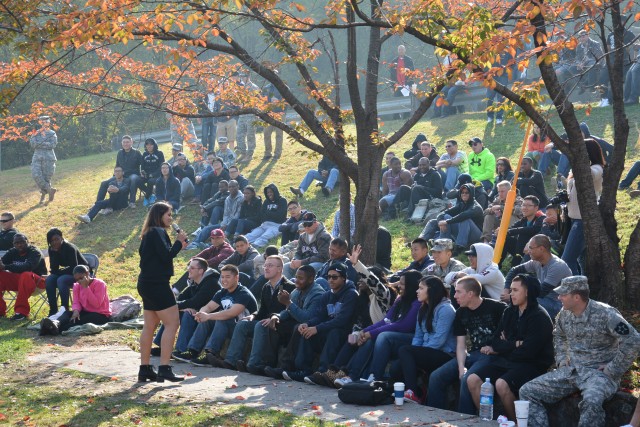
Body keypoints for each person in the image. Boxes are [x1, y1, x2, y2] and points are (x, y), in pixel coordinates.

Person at [519, 276, 640, 427]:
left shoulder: (606, 314)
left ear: (576, 297)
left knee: (591, 401)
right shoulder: (564, 313)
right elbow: (558, 334)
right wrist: (562, 358)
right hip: (572, 371)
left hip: (599, 374)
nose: (559, 297)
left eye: (563, 294)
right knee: (528, 391)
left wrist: (613, 368)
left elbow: (633, 340)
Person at [467, 274, 554, 420]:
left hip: (531, 364)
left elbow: (528, 352)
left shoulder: (539, 317)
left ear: (527, 292)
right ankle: (491, 421)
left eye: (515, 290)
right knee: (472, 379)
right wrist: (514, 344)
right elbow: (494, 341)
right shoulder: (509, 311)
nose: (510, 294)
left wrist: (504, 346)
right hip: (507, 361)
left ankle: (515, 422)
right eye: (510, 290)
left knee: (502, 384)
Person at [426, 277, 507, 414]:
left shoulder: (498, 308)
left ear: (470, 294)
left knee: (467, 378)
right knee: (436, 376)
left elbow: (510, 332)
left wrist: (498, 346)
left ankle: (465, 418)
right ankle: (435, 415)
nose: (454, 295)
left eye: (458, 292)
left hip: (492, 355)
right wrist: (460, 366)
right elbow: (461, 345)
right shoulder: (460, 312)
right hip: (473, 354)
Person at [330, 266, 421, 387]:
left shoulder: (416, 302)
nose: (399, 285)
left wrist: (371, 333)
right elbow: (386, 320)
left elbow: (404, 326)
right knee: (361, 338)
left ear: (411, 286)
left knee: (382, 336)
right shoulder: (400, 300)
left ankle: (374, 377)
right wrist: (364, 331)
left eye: (403, 284)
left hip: (410, 339)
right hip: (392, 336)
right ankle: (347, 375)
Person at [136, 202, 187, 383]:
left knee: (150, 325)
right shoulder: (157, 232)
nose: (170, 218)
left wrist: (177, 245)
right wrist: (179, 243)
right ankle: (165, 368)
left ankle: (145, 369)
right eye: (168, 214)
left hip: (145, 282)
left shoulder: (148, 233)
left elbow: (160, 256)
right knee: (172, 322)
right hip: (157, 283)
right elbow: (166, 255)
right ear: (159, 215)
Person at [282, 262, 359, 382]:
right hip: (327, 330)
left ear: (343, 278)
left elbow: (341, 321)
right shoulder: (327, 295)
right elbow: (319, 316)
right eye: (329, 277)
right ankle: (303, 370)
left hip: (345, 334)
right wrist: (308, 324)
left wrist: (317, 328)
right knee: (306, 331)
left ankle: (323, 372)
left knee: (334, 331)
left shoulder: (351, 294)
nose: (331, 280)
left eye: (335, 277)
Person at [218, 256, 295, 371]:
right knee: (242, 324)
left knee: (260, 325)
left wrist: (275, 317)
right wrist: (252, 316)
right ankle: (231, 361)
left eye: (270, 265)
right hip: (265, 322)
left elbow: (290, 311)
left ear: (280, 269)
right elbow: (263, 310)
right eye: (265, 265)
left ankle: (254, 364)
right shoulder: (266, 287)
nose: (266, 268)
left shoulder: (290, 287)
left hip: (280, 324)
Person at [172, 265, 258, 367]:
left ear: (236, 278)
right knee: (207, 319)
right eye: (222, 277)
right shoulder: (222, 292)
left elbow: (231, 313)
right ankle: (192, 351)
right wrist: (201, 313)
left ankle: (210, 353)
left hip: (242, 327)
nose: (224, 280)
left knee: (221, 319)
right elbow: (208, 307)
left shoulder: (243, 293)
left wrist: (208, 316)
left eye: (228, 277)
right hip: (229, 326)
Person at [400, 276, 457, 404]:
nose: (417, 291)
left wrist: (419, 355)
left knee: (405, 350)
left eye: (421, 288)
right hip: (429, 351)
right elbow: (418, 336)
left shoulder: (446, 309)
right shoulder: (423, 309)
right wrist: (417, 352)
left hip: (444, 354)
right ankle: (417, 393)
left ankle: (412, 393)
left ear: (431, 290)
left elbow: (439, 340)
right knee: (397, 366)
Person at [150, 257, 221, 355]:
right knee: (176, 311)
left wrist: (183, 307)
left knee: (187, 314)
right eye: (189, 267)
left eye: (192, 268)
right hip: (197, 313)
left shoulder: (212, 283)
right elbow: (179, 299)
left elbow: (195, 302)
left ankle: (181, 350)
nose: (188, 270)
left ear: (200, 271)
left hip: (209, 318)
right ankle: (162, 346)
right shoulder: (194, 283)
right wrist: (178, 307)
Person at [503, 234, 572, 320]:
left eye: (531, 248)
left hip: (560, 304)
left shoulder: (557, 266)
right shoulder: (536, 261)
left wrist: (512, 296)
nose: (528, 251)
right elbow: (514, 270)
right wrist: (506, 290)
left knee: (523, 302)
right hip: (544, 299)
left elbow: (541, 292)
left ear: (541, 249)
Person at [562, 139, 604, 274]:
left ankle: (574, 291)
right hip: (574, 219)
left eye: (581, 151)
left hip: (582, 221)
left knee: (567, 260)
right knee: (582, 261)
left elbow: (590, 174)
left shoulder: (596, 168)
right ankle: (583, 289)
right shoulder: (577, 169)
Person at [39, 265, 112, 336]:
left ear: (87, 273)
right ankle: (56, 323)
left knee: (77, 321)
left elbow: (96, 304)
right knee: (67, 313)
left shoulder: (100, 284)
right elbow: (76, 302)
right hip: (86, 311)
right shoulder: (77, 285)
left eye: (81, 278)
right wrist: (76, 311)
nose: (79, 281)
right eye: (77, 279)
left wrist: (86, 288)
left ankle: (51, 329)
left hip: (100, 314)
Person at [419, 183, 483, 249]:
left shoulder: (476, 207)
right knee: (439, 219)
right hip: (463, 232)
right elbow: (443, 213)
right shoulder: (461, 204)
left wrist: (447, 222)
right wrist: (441, 221)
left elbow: (464, 215)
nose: (464, 194)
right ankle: (422, 241)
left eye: (467, 193)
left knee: (465, 220)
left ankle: (459, 247)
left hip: (476, 236)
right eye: (462, 192)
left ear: (471, 194)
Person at [0, 234, 47, 320]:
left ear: (27, 242)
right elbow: (2, 263)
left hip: (38, 283)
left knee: (26, 274)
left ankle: (21, 312)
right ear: (13, 244)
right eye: (16, 243)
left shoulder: (35, 252)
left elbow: (28, 267)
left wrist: (6, 267)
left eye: (22, 242)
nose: (19, 245)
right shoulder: (12, 252)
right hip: (20, 283)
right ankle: (0, 310)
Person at [44, 228, 88, 316]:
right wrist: (55, 254)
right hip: (68, 271)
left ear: (61, 238)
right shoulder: (52, 249)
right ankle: (53, 310)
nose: (54, 242)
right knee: (49, 280)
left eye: (57, 239)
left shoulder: (70, 248)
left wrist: (57, 272)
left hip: (81, 273)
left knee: (61, 279)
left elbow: (74, 268)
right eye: (51, 241)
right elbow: (54, 268)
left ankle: (65, 310)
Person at [499, 195, 545, 266]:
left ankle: (516, 265)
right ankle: (496, 266)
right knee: (505, 238)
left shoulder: (541, 218)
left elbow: (534, 229)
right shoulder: (524, 220)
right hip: (521, 250)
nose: (524, 208)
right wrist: (501, 231)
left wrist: (511, 231)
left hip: (534, 251)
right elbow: (511, 228)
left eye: (528, 206)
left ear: (536, 208)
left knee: (523, 234)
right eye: (523, 205)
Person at [282, 212, 331, 279]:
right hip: (304, 263)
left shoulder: (324, 236)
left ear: (316, 223)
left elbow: (323, 257)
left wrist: (302, 262)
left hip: (320, 264)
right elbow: (298, 252)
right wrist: (295, 260)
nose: (307, 227)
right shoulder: (302, 237)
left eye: (309, 224)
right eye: (305, 224)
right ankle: (288, 286)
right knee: (286, 267)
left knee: (308, 268)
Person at [245, 184, 288, 248]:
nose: (269, 194)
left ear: (275, 191)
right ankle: (240, 243)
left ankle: (254, 246)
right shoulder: (266, 201)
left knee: (265, 236)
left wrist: (268, 213)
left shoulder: (282, 200)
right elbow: (262, 214)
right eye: (267, 192)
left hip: (276, 225)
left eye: (271, 192)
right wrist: (272, 213)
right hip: (265, 224)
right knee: (252, 234)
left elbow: (280, 215)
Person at [29, 115, 58, 203]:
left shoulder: (52, 133)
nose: (44, 123)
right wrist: (46, 143)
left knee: (46, 178)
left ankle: (43, 196)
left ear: (49, 122)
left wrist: (40, 143)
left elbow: (53, 145)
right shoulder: (35, 133)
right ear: (40, 122)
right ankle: (50, 190)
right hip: (37, 157)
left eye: (46, 121)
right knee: (36, 174)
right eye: (42, 121)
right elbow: (33, 144)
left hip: (49, 158)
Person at [114, 135, 143, 209]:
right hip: (122, 175)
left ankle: (132, 202)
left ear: (131, 142)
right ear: (121, 143)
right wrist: (115, 175)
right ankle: (99, 202)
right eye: (124, 142)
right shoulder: (119, 153)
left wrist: (143, 172)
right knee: (105, 182)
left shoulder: (137, 152)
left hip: (134, 174)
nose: (125, 144)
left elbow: (143, 164)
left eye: (127, 142)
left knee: (132, 179)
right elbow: (117, 165)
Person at [235, 73, 259, 162]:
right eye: (241, 76)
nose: (242, 78)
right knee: (239, 135)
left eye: (244, 76)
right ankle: (243, 153)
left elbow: (258, 102)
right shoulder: (240, 88)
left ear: (248, 77)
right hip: (242, 115)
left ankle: (249, 155)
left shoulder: (254, 88)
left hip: (251, 115)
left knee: (250, 135)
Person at [262, 76, 286, 160]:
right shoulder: (266, 87)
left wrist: (278, 102)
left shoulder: (283, 86)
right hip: (268, 114)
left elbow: (288, 101)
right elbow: (261, 100)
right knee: (266, 134)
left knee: (279, 134)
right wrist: (268, 101)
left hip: (280, 113)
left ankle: (277, 153)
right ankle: (267, 153)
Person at [140, 138, 164, 206]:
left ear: (154, 145)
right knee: (137, 181)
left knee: (150, 181)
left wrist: (153, 174)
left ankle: (147, 197)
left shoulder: (159, 153)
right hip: (147, 175)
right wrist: (142, 173)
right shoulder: (144, 154)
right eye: (147, 144)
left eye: (151, 144)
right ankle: (151, 193)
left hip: (157, 175)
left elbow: (161, 166)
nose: (149, 146)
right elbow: (142, 166)